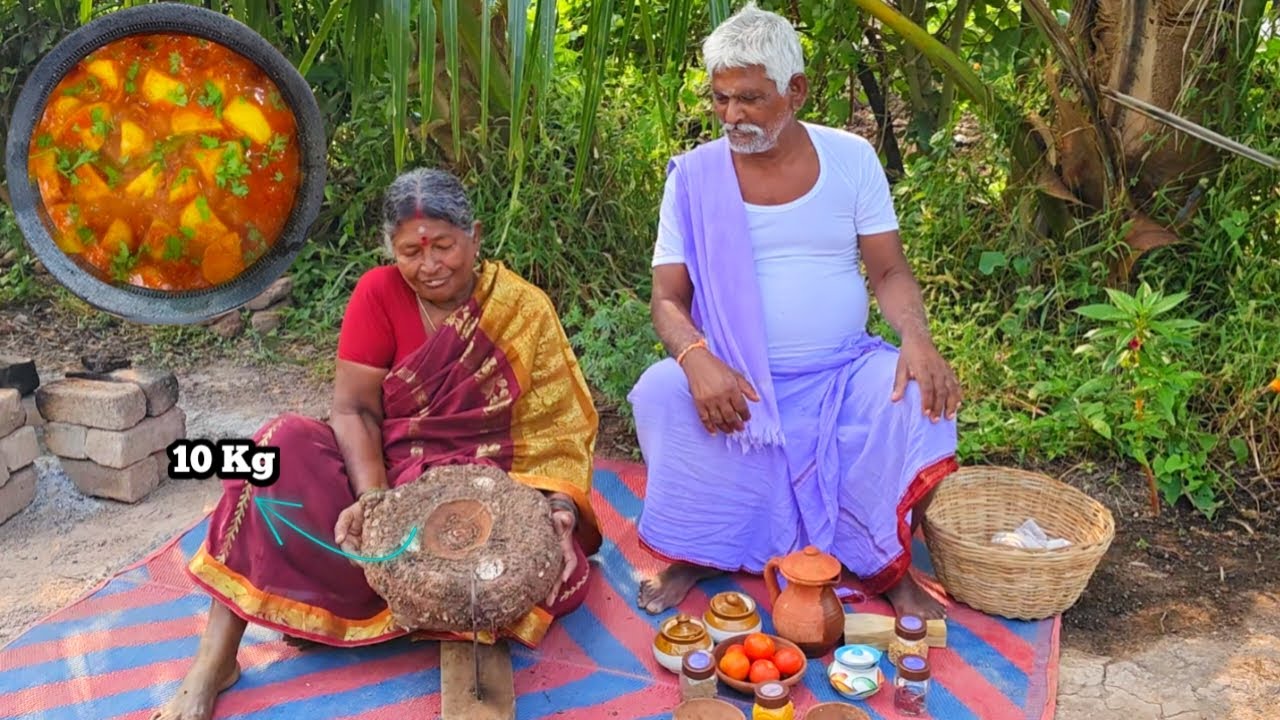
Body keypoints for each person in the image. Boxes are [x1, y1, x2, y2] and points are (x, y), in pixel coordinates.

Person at [152, 168, 601, 720]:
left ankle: (414, 602)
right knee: (274, 447)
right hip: (390, 480)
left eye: (443, 246)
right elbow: (354, 409)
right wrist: (373, 500)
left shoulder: (521, 309)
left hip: (486, 493)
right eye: (411, 251)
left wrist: (555, 507)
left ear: (475, 236)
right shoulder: (378, 292)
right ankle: (214, 660)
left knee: (538, 571)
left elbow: (554, 429)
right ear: (392, 249)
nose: (429, 265)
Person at [629, 3, 962, 622]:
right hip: (738, 383)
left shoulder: (851, 159)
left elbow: (888, 271)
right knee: (659, 392)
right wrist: (697, 359)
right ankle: (700, 549)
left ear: (797, 91)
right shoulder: (694, 179)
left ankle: (885, 564)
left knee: (917, 397)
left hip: (839, 371)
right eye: (721, 99)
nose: (732, 116)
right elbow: (668, 298)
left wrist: (916, 338)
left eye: (751, 99)